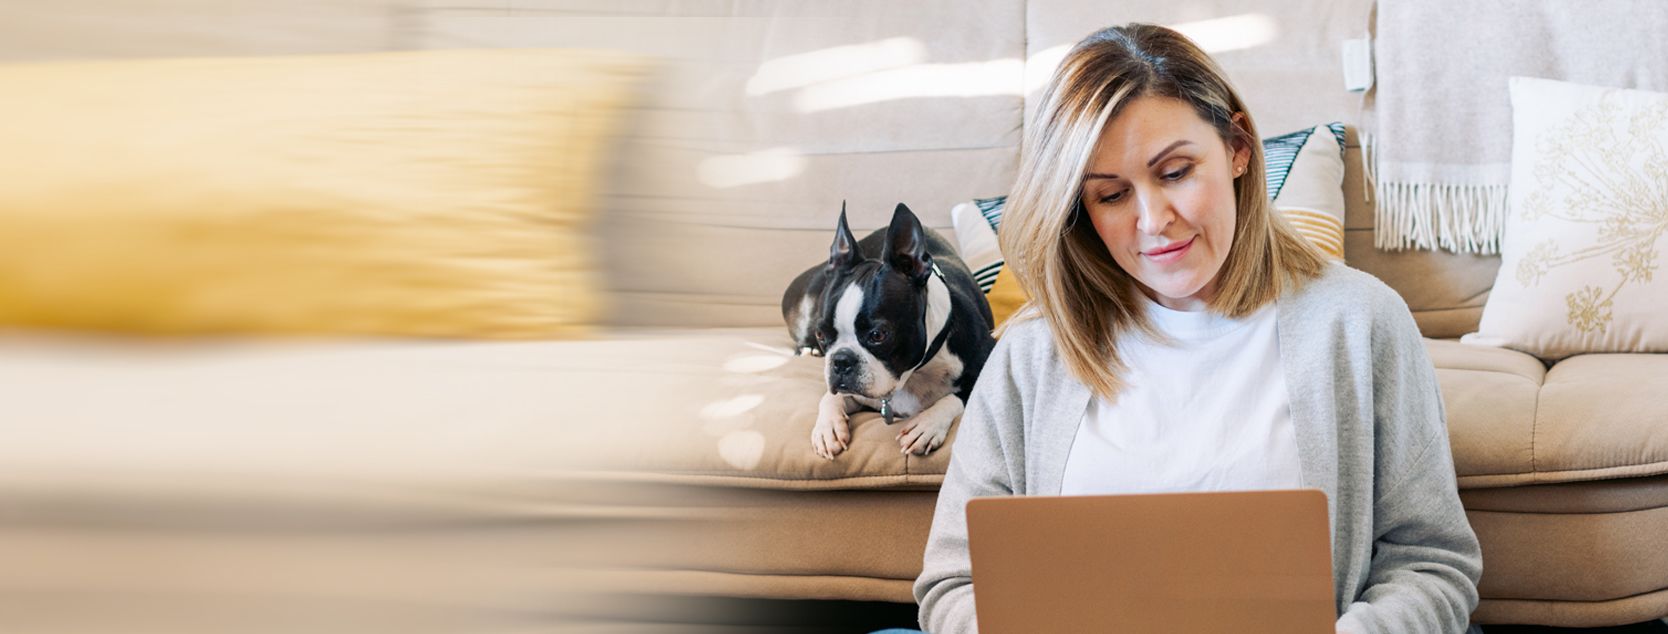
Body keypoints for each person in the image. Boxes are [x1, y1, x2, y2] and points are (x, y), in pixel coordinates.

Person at [898, 23, 1483, 634]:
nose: (1154, 221)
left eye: (1175, 172)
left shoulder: (1360, 323)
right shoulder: (1033, 352)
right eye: (1112, 195)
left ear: (1237, 147)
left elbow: (1431, 563)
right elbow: (953, 583)